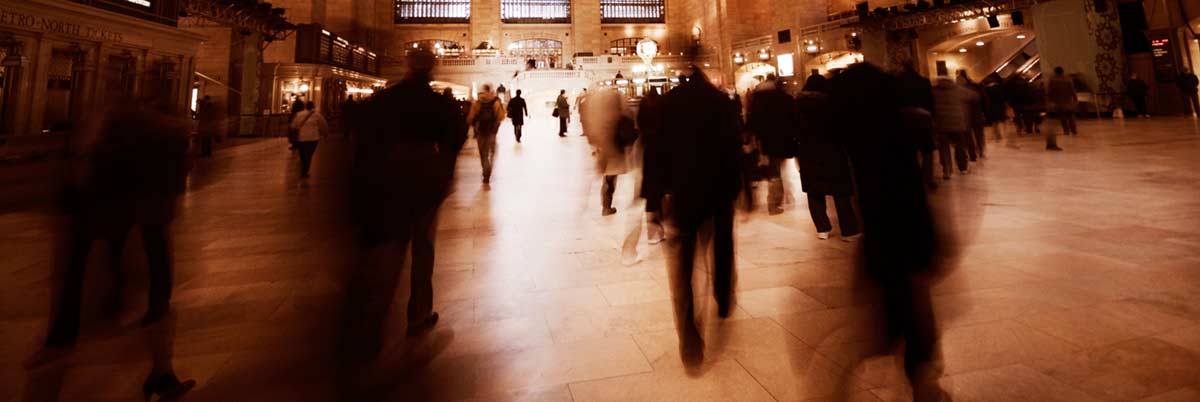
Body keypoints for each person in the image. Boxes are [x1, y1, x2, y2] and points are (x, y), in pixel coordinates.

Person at [25, 97, 196, 401]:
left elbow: (72, 191)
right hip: (140, 228)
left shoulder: (103, 144)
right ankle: (161, 373)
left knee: (71, 301)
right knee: (158, 294)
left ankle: (56, 357)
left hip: (102, 229)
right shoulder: (163, 141)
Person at [828, 62, 951, 402]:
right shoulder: (903, 125)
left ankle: (911, 379)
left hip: (882, 234)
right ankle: (924, 383)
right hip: (909, 230)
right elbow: (921, 162)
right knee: (913, 315)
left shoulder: (857, 138)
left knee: (890, 317)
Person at [341, 49, 466, 369]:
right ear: (432, 67)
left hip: (390, 176)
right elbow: (455, 136)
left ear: (405, 65)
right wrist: (445, 172)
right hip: (425, 176)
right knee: (423, 250)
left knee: (389, 254)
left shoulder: (387, 99)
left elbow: (364, 140)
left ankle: (368, 335)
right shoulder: (438, 102)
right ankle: (419, 315)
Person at [660, 64, 742, 370]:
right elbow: (734, 146)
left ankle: (690, 336)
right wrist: (738, 187)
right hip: (719, 189)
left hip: (684, 192)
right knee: (722, 245)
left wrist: (653, 201)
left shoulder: (670, 101)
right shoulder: (721, 102)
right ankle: (722, 293)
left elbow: (656, 151)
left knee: (683, 265)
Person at [794, 75, 859, 241]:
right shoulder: (832, 104)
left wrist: (796, 153)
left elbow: (794, 131)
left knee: (814, 191)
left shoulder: (798, 105)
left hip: (808, 153)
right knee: (840, 192)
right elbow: (843, 129)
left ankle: (822, 229)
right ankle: (849, 231)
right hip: (832, 152)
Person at [746, 74, 797, 215]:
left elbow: (752, 120)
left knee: (773, 170)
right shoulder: (784, 98)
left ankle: (776, 200)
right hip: (783, 139)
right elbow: (793, 118)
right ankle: (775, 203)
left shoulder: (757, 99)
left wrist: (750, 136)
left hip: (764, 140)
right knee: (778, 169)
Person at [583, 89, 637, 216]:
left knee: (608, 177)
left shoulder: (598, 113)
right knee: (610, 178)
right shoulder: (617, 112)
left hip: (604, 148)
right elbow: (628, 120)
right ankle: (606, 206)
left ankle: (606, 205)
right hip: (613, 148)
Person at [896, 62, 938, 188]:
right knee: (927, 151)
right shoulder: (923, 81)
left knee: (909, 152)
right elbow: (931, 102)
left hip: (905, 122)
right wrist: (932, 118)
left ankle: (912, 179)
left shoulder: (898, 83)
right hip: (923, 120)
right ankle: (928, 178)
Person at [638, 87, 667, 243]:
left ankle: (652, 233)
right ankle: (660, 229)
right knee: (661, 193)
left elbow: (639, 123)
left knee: (652, 195)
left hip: (649, 154)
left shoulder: (644, 103)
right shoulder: (662, 105)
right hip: (662, 153)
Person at [932, 74, 975, 178]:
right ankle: (963, 167)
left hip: (941, 124)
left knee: (944, 148)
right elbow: (974, 96)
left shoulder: (933, 91)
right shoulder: (957, 89)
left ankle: (947, 170)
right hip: (957, 123)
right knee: (959, 146)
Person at [468, 84, 506, 183]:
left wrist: (474, 126)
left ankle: (485, 172)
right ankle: (488, 171)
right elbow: (501, 116)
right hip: (492, 132)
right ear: (490, 90)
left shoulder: (478, 102)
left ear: (483, 91)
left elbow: (470, 118)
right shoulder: (495, 102)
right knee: (491, 152)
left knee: (483, 154)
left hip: (481, 131)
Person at [290, 101, 329, 178]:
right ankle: (304, 171)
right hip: (313, 138)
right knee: (309, 155)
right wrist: (325, 133)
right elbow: (323, 125)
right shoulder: (317, 115)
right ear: (313, 107)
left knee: (303, 154)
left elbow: (293, 126)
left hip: (301, 138)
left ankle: (303, 169)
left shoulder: (299, 114)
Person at [957, 71, 987, 159]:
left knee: (968, 135)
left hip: (965, 115)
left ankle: (972, 153)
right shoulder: (976, 86)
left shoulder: (958, 89)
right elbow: (983, 100)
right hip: (977, 113)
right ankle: (981, 150)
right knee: (979, 134)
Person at [982, 73, 1015, 147]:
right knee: (1001, 122)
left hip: (991, 108)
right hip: (1000, 107)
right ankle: (1003, 136)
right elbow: (1004, 98)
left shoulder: (986, 90)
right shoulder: (1000, 87)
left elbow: (985, 100)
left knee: (994, 123)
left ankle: (996, 136)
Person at [1047, 66, 1077, 143]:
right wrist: (1075, 98)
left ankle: (1066, 130)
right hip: (1068, 101)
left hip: (1059, 101)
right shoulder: (1068, 79)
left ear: (1055, 72)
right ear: (1062, 72)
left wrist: (1050, 100)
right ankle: (1074, 130)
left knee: (1063, 117)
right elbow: (1072, 90)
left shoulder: (1053, 80)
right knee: (1071, 116)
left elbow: (1050, 91)